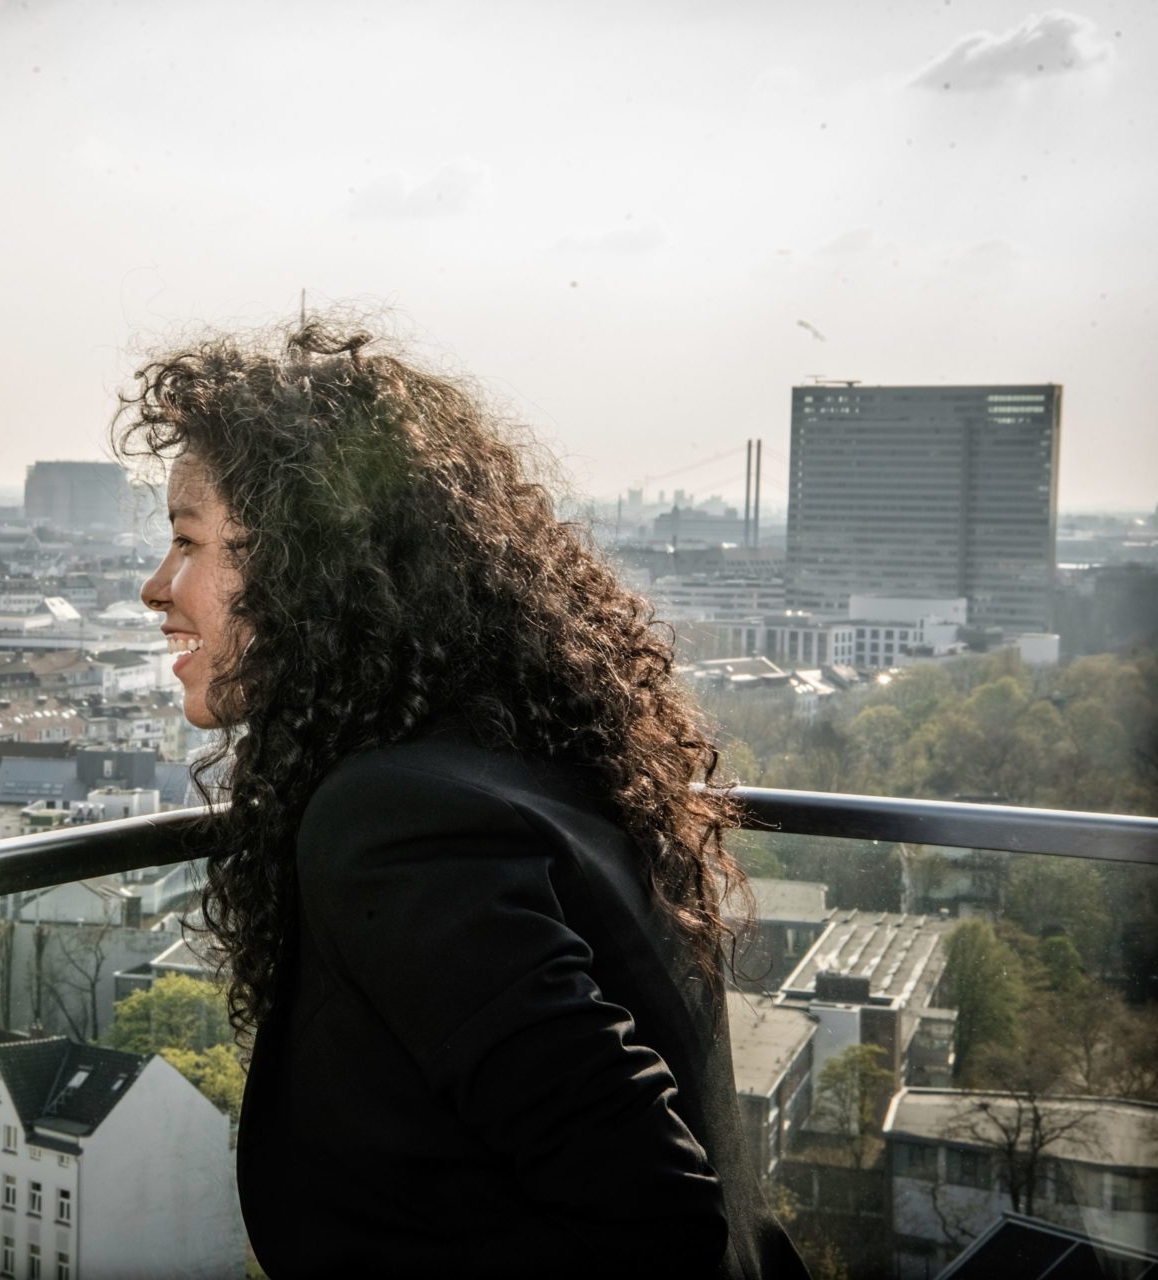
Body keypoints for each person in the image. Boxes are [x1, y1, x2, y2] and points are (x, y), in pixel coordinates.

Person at [122, 318, 807, 1277]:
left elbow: (650, 1208)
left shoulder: (394, 821)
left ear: (312, 566)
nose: (157, 587)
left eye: (187, 541)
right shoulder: (531, 759)